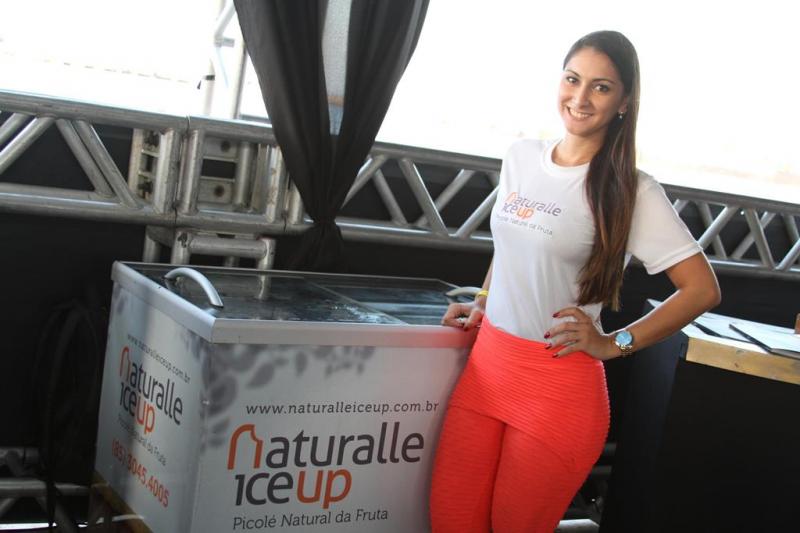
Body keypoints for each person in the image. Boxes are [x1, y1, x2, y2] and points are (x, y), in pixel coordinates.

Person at [429, 30, 721, 532]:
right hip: (487, 370)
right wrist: (484, 300)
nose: (580, 98)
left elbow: (702, 289)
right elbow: (513, 245)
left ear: (625, 101)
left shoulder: (632, 190)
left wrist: (614, 343)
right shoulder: (521, 156)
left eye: (601, 87)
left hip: (557, 390)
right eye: (572, 79)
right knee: (451, 520)